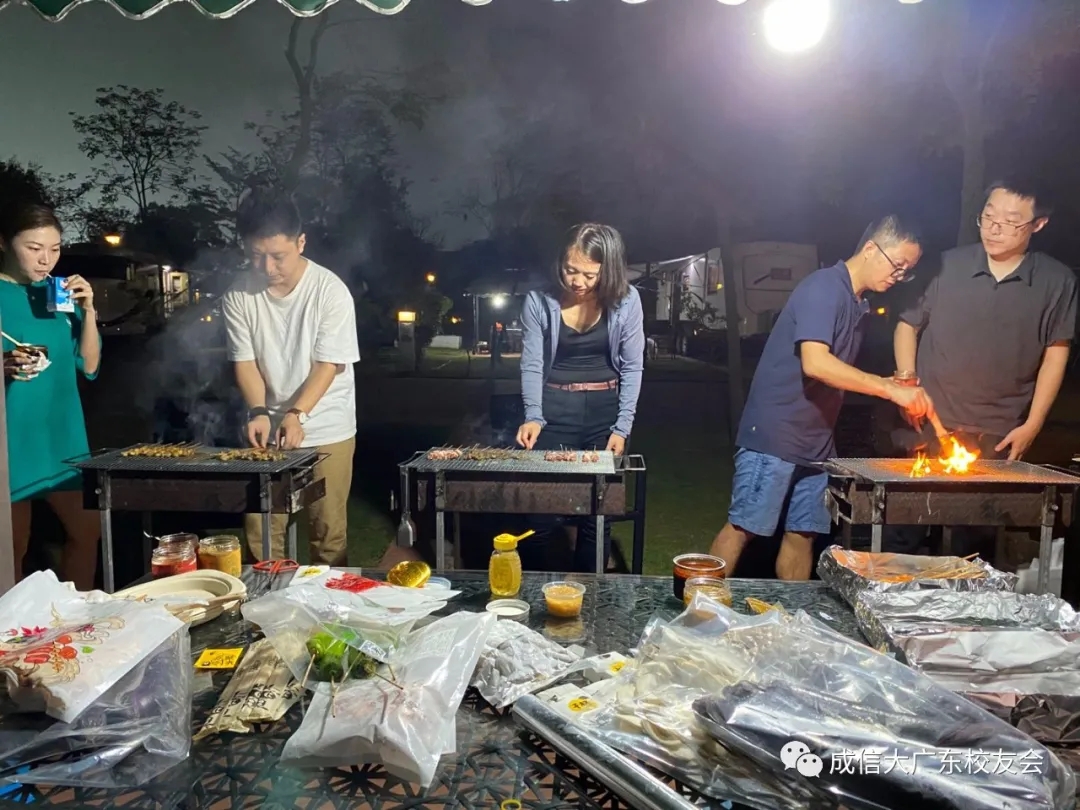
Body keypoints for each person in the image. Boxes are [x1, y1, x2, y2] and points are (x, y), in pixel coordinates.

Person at [709, 215, 934, 581]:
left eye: (907, 271)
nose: (899, 276)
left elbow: (839, 372)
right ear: (870, 249)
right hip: (777, 434)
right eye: (898, 265)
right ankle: (698, 604)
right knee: (743, 526)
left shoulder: (857, 302)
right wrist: (888, 388)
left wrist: (894, 386)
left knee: (804, 534)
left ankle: (796, 611)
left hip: (817, 442)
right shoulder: (824, 288)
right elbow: (815, 363)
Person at [886, 180, 1077, 553]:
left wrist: (1033, 424)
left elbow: (1056, 352)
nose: (994, 229)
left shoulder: (1056, 281)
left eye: (1010, 221)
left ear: (1038, 224)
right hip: (926, 423)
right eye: (988, 217)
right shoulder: (945, 266)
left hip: (997, 436)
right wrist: (907, 383)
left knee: (971, 552)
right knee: (903, 540)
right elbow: (907, 325)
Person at [222, 189, 360, 565]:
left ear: (300, 243)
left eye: (278, 256)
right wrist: (258, 411)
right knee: (262, 530)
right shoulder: (238, 295)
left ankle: (327, 601)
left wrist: (297, 413)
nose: (267, 268)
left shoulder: (330, 292)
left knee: (327, 534)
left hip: (327, 426)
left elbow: (328, 364)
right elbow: (245, 362)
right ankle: (268, 597)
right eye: (256, 255)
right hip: (267, 428)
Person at [516, 223, 645, 572]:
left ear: (608, 270)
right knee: (538, 519)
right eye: (570, 270)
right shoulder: (538, 301)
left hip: (605, 415)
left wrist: (622, 427)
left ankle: (590, 598)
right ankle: (532, 596)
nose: (577, 282)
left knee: (597, 520)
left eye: (590, 274)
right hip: (554, 412)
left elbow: (633, 366)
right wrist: (533, 415)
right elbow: (532, 363)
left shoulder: (627, 301)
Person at [0, 202, 101, 589]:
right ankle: (12, 622)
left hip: (62, 434)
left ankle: (77, 615)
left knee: (87, 532)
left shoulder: (57, 293)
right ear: (4, 243)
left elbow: (88, 366)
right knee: (13, 545)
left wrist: (88, 311)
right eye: (34, 248)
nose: (46, 259)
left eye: (55, 249)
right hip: (13, 436)